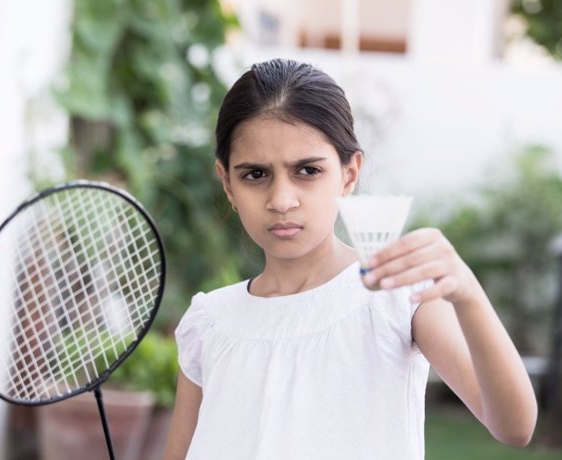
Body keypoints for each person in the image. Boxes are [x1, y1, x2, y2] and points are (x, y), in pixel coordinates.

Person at [162, 58, 537, 460]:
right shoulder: (209, 322)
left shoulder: (398, 294)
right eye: (255, 174)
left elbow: (515, 426)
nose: (282, 200)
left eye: (307, 170)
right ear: (228, 184)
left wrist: (466, 293)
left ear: (349, 173)